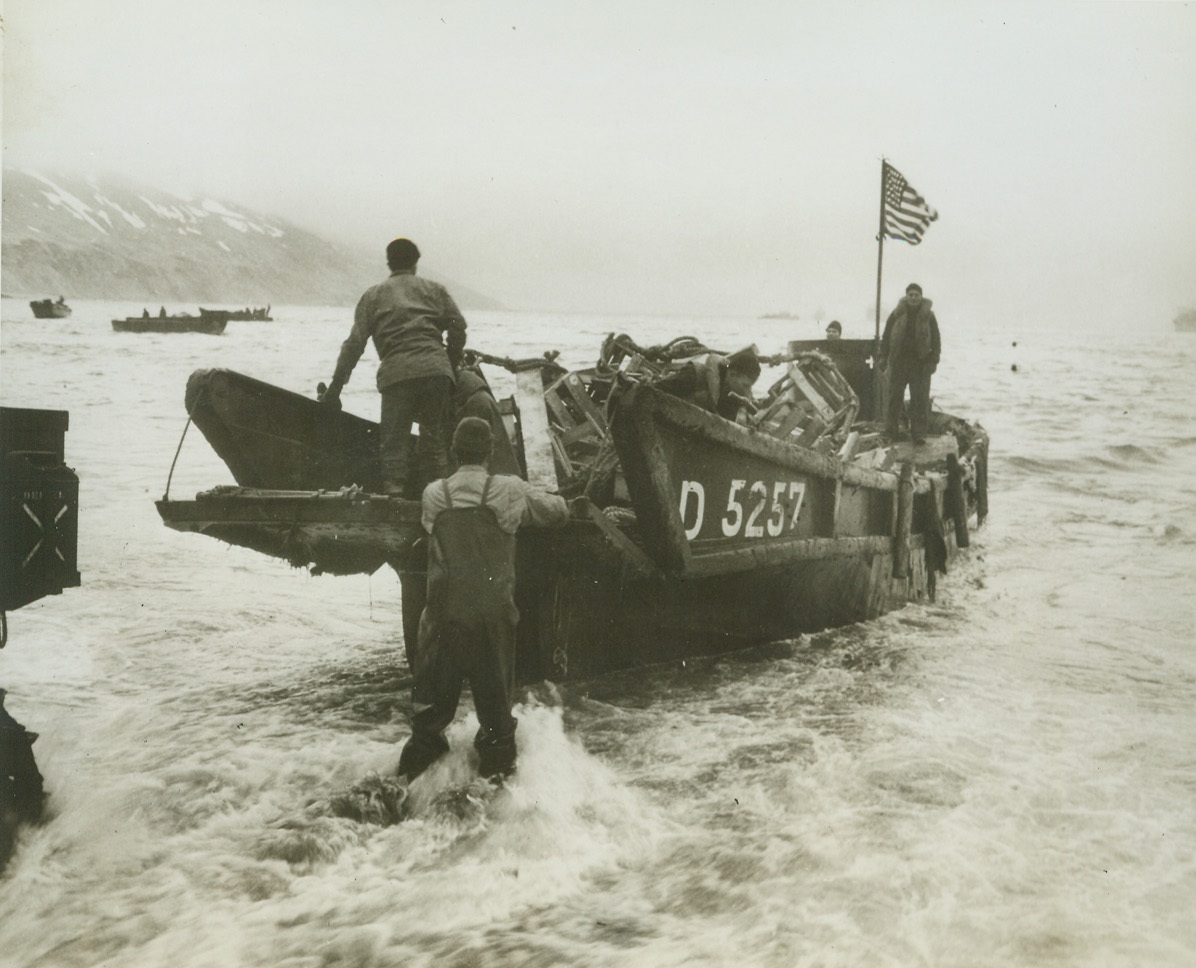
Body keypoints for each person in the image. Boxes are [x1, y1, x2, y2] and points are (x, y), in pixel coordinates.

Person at [396, 417, 570, 782]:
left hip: (443, 620)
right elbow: (558, 513)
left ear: (453, 452)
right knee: (496, 722)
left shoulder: (434, 494)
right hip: (492, 621)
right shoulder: (507, 490)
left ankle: (409, 790)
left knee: (428, 721)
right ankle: (494, 796)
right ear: (490, 452)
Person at [319, 238, 467, 496]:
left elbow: (354, 344)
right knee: (434, 445)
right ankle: (440, 502)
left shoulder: (374, 295)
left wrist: (336, 387)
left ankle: (395, 500)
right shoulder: (435, 290)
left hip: (397, 374)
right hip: (436, 372)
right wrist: (450, 365)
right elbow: (458, 328)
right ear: (416, 262)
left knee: (393, 445)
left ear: (389, 262)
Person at [879, 282, 941, 443]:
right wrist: (883, 357)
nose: (913, 298)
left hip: (920, 364)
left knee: (920, 400)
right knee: (894, 398)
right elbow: (886, 337)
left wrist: (933, 360)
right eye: (911, 295)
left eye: (917, 295)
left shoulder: (929, 316)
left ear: (921, 297)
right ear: (906, 297)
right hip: (899, 362)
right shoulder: (896, 314)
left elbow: (936, 340)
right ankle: (890, 432)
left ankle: (919, 434)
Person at [658, 346, 761, 424]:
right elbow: (654, 391)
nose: (746, 392)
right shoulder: (693, 374)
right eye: (745, 386)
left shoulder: (732, 397)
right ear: (732, 374)